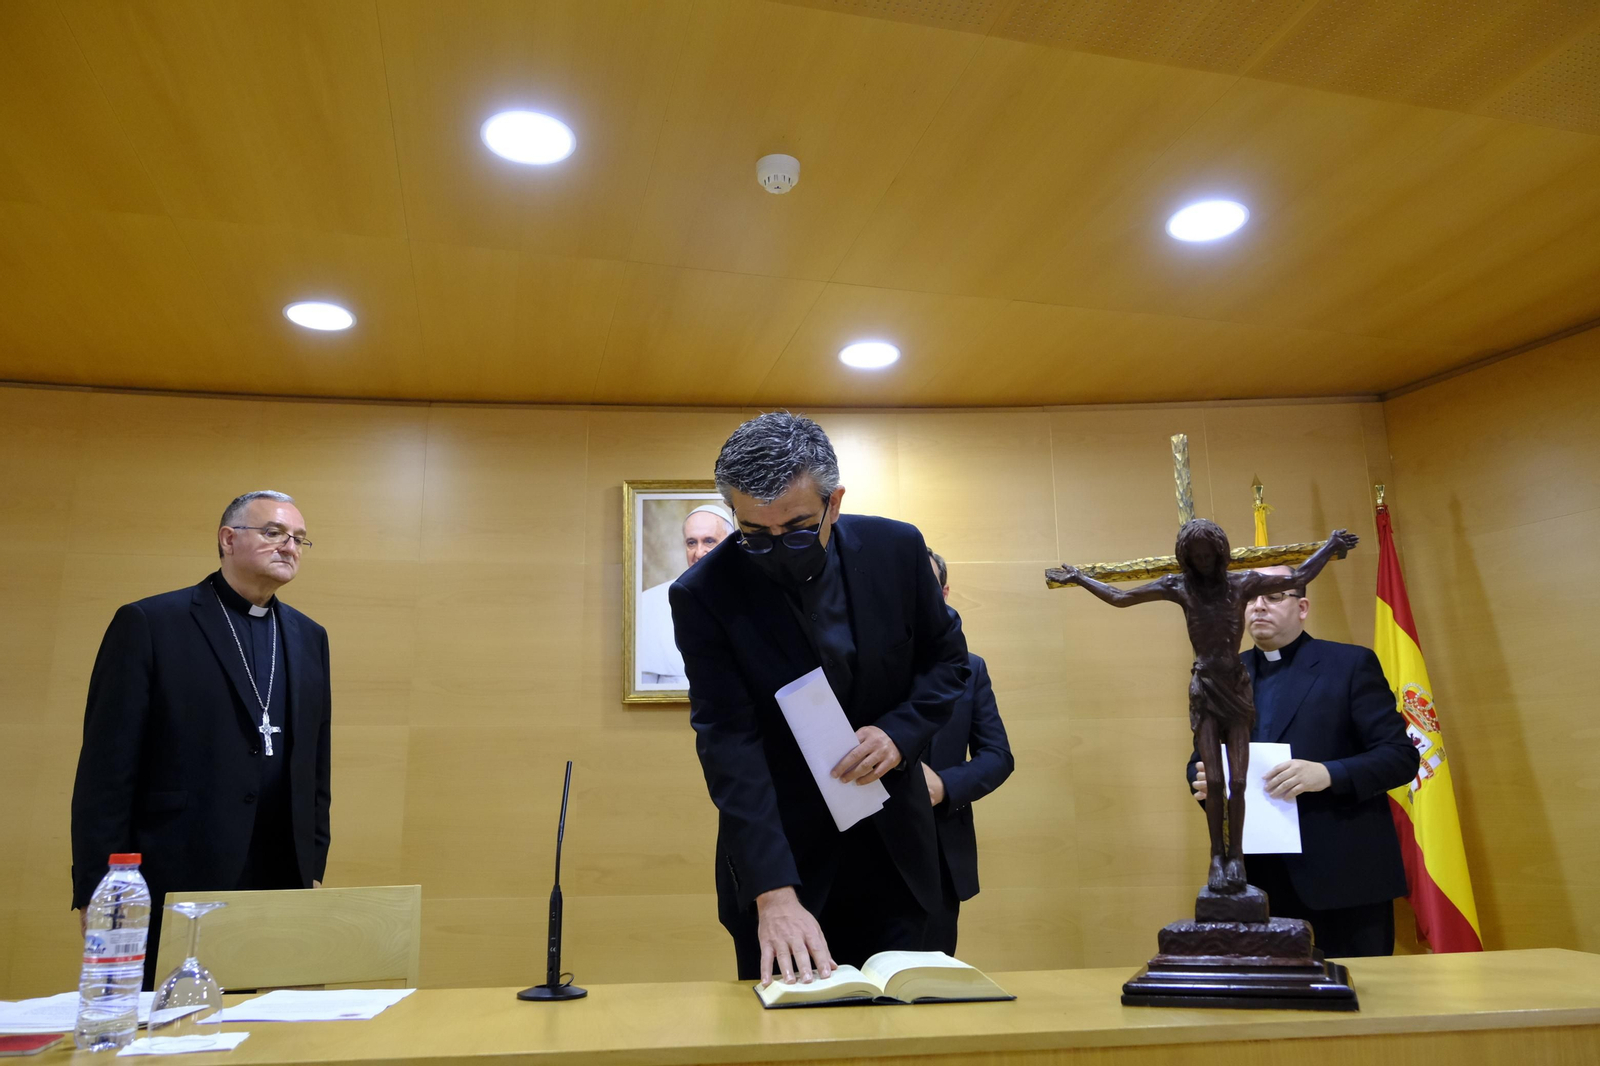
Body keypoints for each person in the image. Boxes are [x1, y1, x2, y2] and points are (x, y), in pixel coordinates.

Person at [670, 413, 969, 987]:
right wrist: (771, 891)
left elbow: (948, 662)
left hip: (896, 854)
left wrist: (899, 733)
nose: (779, 549)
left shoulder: (896, 549)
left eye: (799, 528)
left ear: (834, 502)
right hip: (785, 864)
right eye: (755, 535)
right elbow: (729, 742)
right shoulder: (704, 594)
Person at [70, 491, 332, 988]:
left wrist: (312, 862)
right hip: (176, 867)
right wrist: (98, 888)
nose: (289, 546)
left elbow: (316, 762)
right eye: (274, 532)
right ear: (228, 538)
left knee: (277, 1036)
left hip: (280, 871)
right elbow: (107, 769)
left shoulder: (308, 635)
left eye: (299, 539)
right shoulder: (151, 623)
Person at [1187, 564, 1419, 957]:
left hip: (1343, 879)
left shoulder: (1349, 665)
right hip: (1256, 882)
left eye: (1273, 597)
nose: (1258, 607)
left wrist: (1327, 774)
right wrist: (1203, 779)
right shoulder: (1224, 674)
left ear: (1303, 607)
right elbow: (1200, 758)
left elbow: (1400, 757)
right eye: (1250, 599)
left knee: (1357, 1002)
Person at [922, 550, 1014, 956]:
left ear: (944, 593)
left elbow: (998, 755)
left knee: (932, 989)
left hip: (941, 856)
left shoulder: (971, 668)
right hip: (863, 855)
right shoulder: (859, 665)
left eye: (926, 586)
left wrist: (945, 784)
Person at [636, 504, 734, 686]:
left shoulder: (750, 596)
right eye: (691, 543)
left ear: (729, 545)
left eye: (709, 541)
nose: (698, 552)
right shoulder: (649, 602)